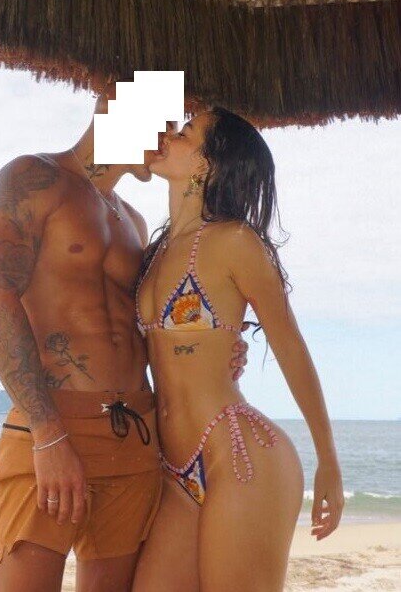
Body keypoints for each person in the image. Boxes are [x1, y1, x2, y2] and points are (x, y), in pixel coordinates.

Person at [0, 78, 248, 592]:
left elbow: (148, 326)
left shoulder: (134, 222)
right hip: (53, 424)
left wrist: (213, 348)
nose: (168, 138)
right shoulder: (33, 179)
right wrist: (48, 434)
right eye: (165, 122)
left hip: (133, 435)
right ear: (117, 106)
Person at [132, 107, 345, 592]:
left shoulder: (235, 241)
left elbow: (290, 346)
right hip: (173, 471)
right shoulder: (152, 253)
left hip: (242, 458)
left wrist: (328, 460)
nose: (168, 134)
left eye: (186, 132)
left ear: (207, 163)